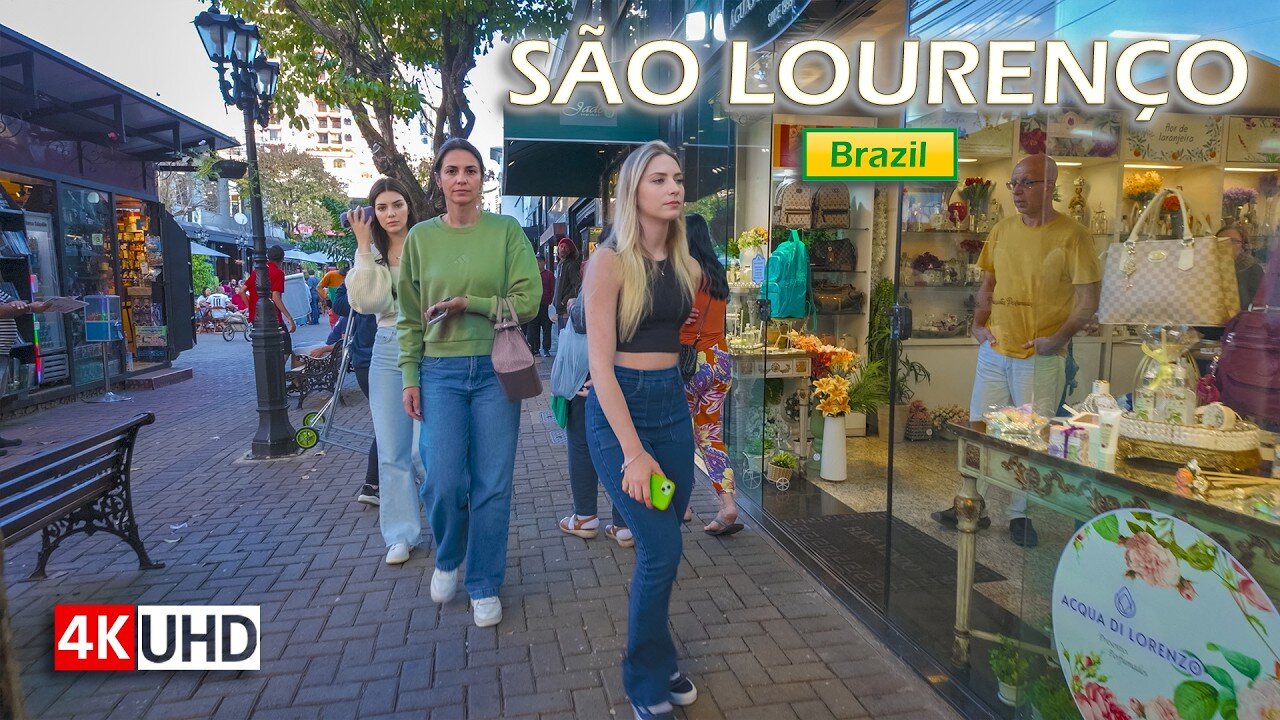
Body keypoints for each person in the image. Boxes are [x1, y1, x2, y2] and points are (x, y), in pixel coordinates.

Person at [398, 137, 540, 628]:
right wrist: (410, 375)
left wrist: (471, 304)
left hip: (496, 368)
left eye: (471, 170)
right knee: (441, 479)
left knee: (492, 484)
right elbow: (408, 316)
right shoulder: (420, 238)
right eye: (452, 170)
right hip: (439, 372)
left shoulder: (506, 231)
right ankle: (448, 554)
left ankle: (483, 582)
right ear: (439, 179)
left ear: (483, 179)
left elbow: (529, 301)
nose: (462, 179)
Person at [583, 140, 701, 720]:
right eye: (658, 179)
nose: (673, 187)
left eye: (676, 178)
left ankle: (659, 652)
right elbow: (600, 366)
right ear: (634, 190)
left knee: (667, 541)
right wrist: (633, 453)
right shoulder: (607, 262)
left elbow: (682, 344)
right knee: (660, 548)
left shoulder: (688, 266)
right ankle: (645, 677)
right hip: (619, 411)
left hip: (671, 407)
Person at [931, 154, 1101, 548]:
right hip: (995, 350)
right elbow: (988, 285)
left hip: (1040, 355)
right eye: (1014, 184)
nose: (1018, 192)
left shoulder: (1073, 235)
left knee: (1030, 437)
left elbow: (1088, 300)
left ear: (1050, 187)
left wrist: (1057, 339)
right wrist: (978, 325)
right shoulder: (1003, 230)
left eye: (1027, 183)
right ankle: (971, 503)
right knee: (980, 429)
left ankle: (1021, 514)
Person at [347, 177, 423, 563]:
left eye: (397, 205)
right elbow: (368, 302)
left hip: (430, 344)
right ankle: (400, 534)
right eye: (381, 207)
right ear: (373, 213)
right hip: (387, 346)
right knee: (392, 450)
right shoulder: (371, 252)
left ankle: (450, 521)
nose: (390, 213)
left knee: (423, 450)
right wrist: (363, 246)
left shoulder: (427, 242)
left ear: (408, 206)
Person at [555, 244, 632, 548]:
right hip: (634, 375)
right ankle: (625, 523)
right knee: (625, 446)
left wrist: (576, 302)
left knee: (582, 444)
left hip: (593, 376)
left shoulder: (606, 269)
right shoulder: (652, 274)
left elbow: (582, 319)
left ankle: (585, 516)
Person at [682, 214, 741, 536]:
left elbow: (679, 324)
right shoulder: (717, 273)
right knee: (710, 435)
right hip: (720, 360)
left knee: (679, 435)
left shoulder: (686, 273)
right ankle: (727, 503)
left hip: (691, 364)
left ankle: (682, 504)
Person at [309, 281, 381, 506]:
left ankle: (377, 481)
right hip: (371, 358)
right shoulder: (362, 272)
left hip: (369, 357)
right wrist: (362, 288)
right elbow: (340, 304)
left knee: (391, 423)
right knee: (391, 423)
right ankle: (373, 483)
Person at [0, 289, 48, 454]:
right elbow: (4, 310)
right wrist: (28, 307)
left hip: (3, 351)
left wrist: (22, 304)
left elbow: (14, 301)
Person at [246, 245, 296, 356]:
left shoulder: (257, 272)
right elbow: (276, 297)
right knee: (286, 348)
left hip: (256, 317)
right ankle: (276, 368)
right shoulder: (278, 273)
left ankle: (270, 367)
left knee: (265, 349)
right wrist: (289, 317)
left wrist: (251, 308)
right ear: (282, 259)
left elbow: (241, 291)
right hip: (273, 317)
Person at [1222, 225, 1264, 309]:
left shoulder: (1252, 270)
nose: (1226, 244)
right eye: (1221, 240)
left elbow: (1258, 305)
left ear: (1243, 246)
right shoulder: (1207, 268)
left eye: (1233, 241)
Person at [525, 255, 554, 357]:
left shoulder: (549, 275)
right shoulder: (531, 274)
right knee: (534, 328)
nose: (538, 263)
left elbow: (552, 289)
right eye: (536, 261)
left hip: (545, 305)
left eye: (540, 261)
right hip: (534, 305)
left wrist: (551, 302)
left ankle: (546, 349)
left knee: (547, 328)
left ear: (544, 262)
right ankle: (535, 349)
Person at [552, 238, 582, 331]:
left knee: (565, 336)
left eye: (566, 247)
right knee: (562, 336)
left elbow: (577, 286)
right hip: (560, 310)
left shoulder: (571, 265)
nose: (563, 249)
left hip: (566, 310)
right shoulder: (561, 265)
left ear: (570, 250)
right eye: (561, 246)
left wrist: (564, 301)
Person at [318, 262, 348, 327]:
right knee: (336, 326)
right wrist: (326, 298)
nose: (344, 269)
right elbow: (319, 287)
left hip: (348, 306)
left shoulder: (351, 275)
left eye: (346, 267)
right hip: (334, 305)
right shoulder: (331, 275)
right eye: (343, 267)